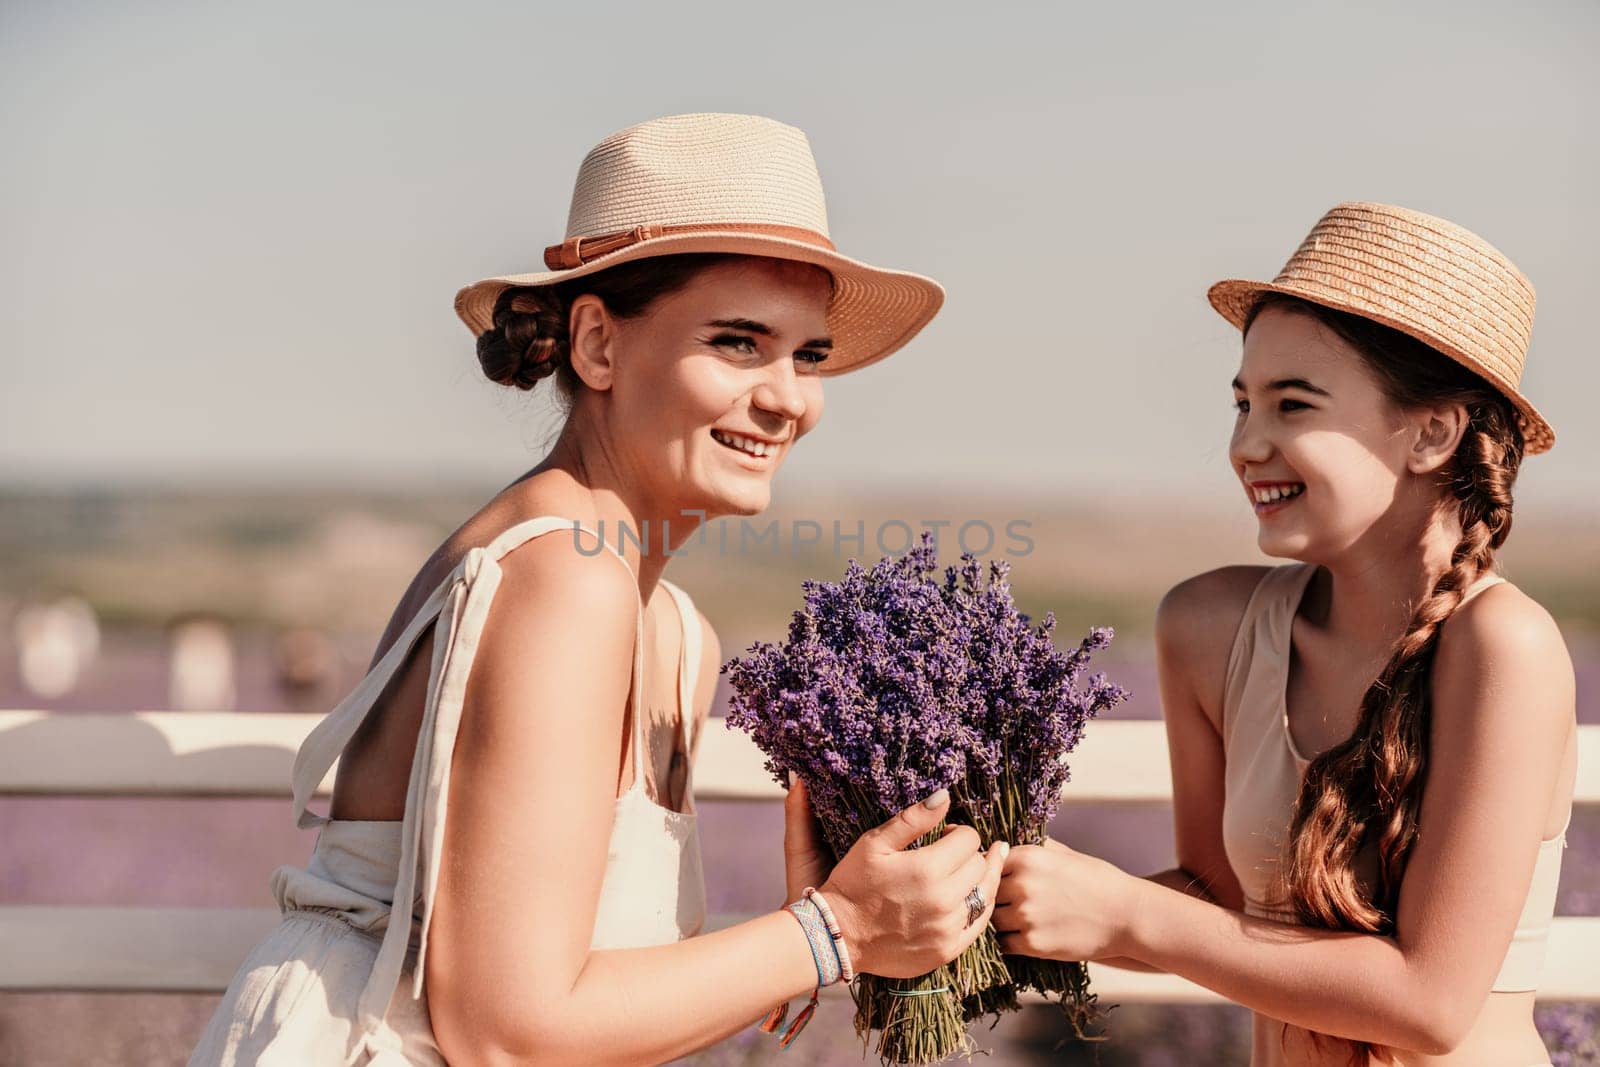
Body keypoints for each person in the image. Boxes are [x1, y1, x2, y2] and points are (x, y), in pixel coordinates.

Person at [189, 112, 1008, 1066]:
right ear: (598, 346)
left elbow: (584, 991)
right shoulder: (565, 577)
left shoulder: (669, 626)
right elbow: (506, 1029)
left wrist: (807, 936)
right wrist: (832, 932)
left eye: (808, 353)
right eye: (740, 342)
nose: (790, 397)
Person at [993, 202, 1577, 1066]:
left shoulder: (1502, 649)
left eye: (1291, 404)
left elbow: (1431, 1004)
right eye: (1242, 403)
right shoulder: (1211, 629)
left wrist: (1122, 911)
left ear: (1432, 433)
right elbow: (1213, 902)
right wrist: (994, 901)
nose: (1245, 443)